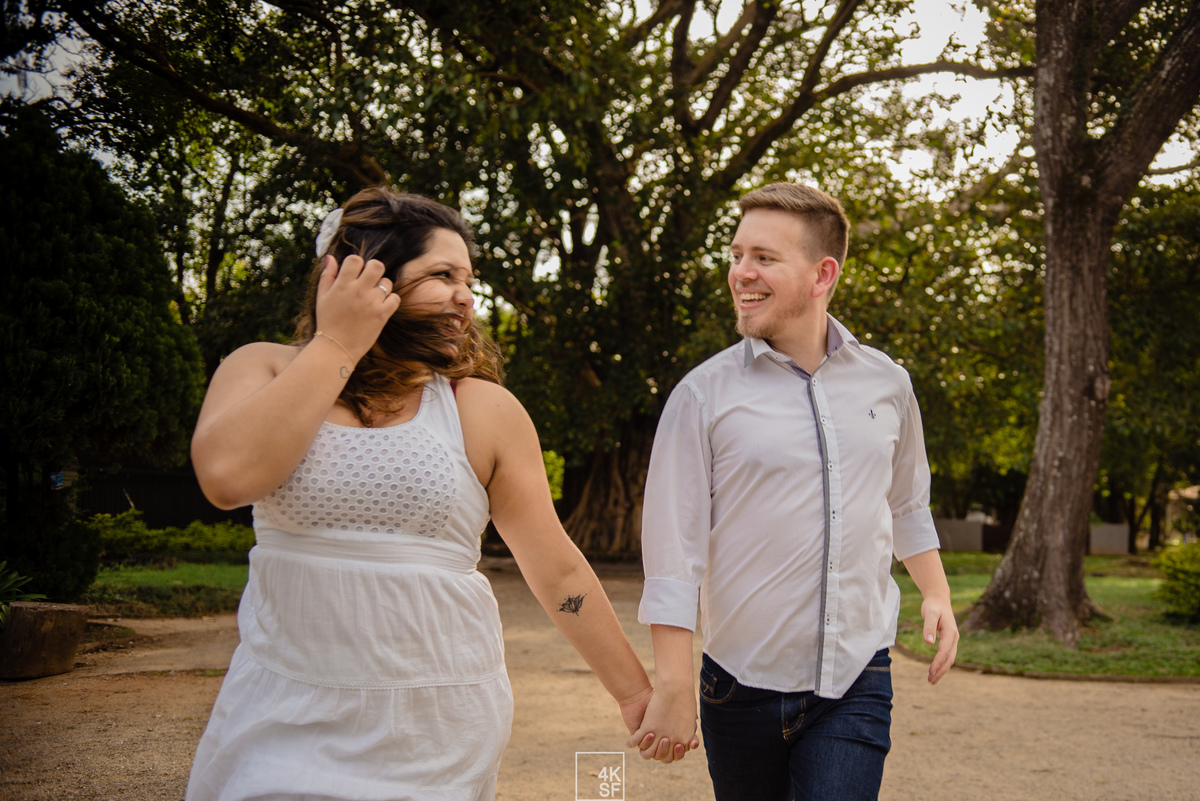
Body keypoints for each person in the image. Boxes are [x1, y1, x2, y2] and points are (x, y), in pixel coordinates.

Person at [186, 186, 653, 801]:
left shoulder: (481, 408)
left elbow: (557, 572)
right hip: (281, 706)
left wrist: (636, 692)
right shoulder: (264, 368)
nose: (467, 295)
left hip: (435, 724)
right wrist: (338, 343)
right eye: (442, 274)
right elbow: (227, 480)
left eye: (469, 277)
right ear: (364, 275)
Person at [627, 182, 959, 799]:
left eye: (763, 258)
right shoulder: (702, 396)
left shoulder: (889, 383)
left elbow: (907, 501)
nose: (741, 274)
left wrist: (934, 592)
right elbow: (673, 556)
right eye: (736, 255)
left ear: (822, 273)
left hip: (858, 678)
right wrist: (673, 686)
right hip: (740, 686)